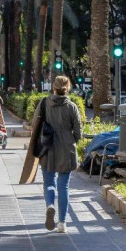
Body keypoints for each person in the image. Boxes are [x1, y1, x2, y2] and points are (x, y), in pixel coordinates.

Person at [38, 74, 82, 234]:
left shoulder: (44, 103)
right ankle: (62, 223)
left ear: (53, 87)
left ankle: (50, 205)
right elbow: (78, 131)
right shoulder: (71, 106)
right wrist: (72, 141)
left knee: (49, 183)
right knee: (63, 186)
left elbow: (35, 124)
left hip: (47, 148)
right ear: (67, 88)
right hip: (66, 149)